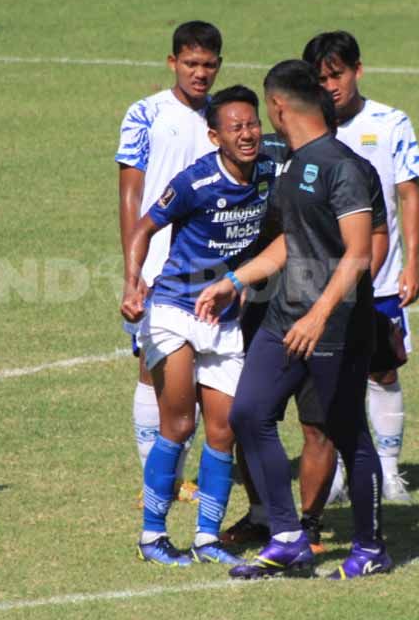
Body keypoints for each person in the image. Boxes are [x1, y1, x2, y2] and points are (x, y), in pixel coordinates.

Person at [196, 60, 392, 580]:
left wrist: (320, 314)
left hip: (335, 326)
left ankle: (371, 548)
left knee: (348, 435)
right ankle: (287, 537)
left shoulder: (344, 168)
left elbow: (357, 255)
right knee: (249, 413)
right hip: (285, 317)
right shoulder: (293, 165)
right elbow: (290, 242)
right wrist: (235, 281)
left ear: (279, 107)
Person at [121, 86, 276, 567]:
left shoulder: (270, 172)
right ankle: (152, 535)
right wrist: (132, 284)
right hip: (173, 310)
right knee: (179, 424)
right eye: (236, 128)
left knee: (223, 432)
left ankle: (207, 538)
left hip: (223, 318)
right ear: (215, 136)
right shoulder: (195, 182)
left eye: (252, 124)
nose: (248, 134)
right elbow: (145, 227)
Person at [305, 31, 419, 504]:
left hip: (379, 279)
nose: (331, 86)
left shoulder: (391, 122)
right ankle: (336, 473)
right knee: (329, 378)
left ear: (358, 69)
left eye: (337, 75)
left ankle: (391, 473)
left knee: (383, 370)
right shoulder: (309, 127)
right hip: (325, 283)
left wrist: (410, 264)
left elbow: (409, 195)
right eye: (322, 78)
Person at [116, 21, 223, 505]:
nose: (200, 73)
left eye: (208, 65)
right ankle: (155, 479)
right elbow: (130, 193)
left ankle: (177, 474)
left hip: (215, 268)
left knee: (204, 372)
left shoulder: (226, 118)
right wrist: (131, 273)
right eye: (191, 64)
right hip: (158, 263)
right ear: (172, 62)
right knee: (151, 369)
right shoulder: (146, 114)